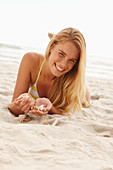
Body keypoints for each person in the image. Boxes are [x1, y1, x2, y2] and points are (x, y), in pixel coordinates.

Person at [8, 27, 90, 117]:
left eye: (72, 60)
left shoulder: (73, 81)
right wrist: (24, 102)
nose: (63, 64)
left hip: (84, 97)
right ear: (51, 46)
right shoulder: (30, 60)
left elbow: (71, 116)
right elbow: (14, 108)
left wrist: (51, 108)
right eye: (61, 54)